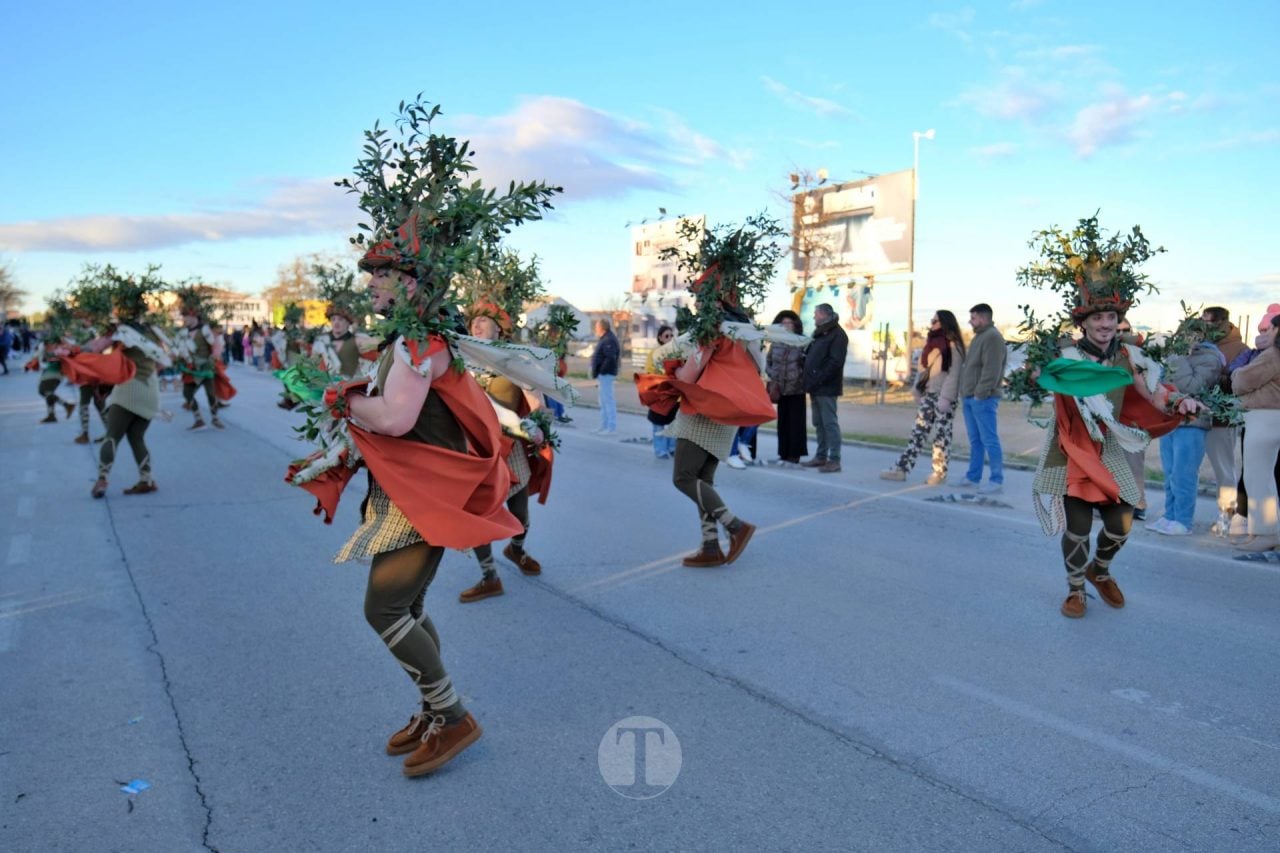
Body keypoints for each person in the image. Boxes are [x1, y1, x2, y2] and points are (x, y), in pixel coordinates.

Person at [1032, 304, 1199, 618]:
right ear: (1083, 323)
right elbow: (1036, 379)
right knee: (1078, 528)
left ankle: (1101, 570)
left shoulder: (1128, 356)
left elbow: (1155, 392)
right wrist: (1034, 373)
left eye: (1111, 317)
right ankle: (1076, 590)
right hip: (1074, 445)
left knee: (1121, 525)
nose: (1106, 324)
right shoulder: (1065, 355)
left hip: (1111, 446)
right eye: (1097, 318)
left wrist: (1180, 401)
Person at [458, 305, 552, 603]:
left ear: (500, 328)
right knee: (478, 513)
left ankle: (517, 549)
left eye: (485, 320)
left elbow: (534, 402)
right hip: (475, 449)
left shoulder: (513, 360)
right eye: (474, 320)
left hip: (511, 446)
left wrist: (540, 421)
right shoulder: (461, 360)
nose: (477, 325)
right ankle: (489, 576)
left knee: (520, 513)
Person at [92, 289, 172, 499]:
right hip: (150, 390)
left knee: (112, 436)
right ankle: (146, 479)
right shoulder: (154, 331)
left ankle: (102, 479)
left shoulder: (124, 331)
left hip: (128, 389)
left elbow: (95, 349)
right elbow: (163, 362)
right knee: (137, 437)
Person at [1147, 323, 1223, 535]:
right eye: (1181, 334)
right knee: (1170, 473)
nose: (1183, 338)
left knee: (1184, 474)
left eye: (1189, 334)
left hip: (1193, 422)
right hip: (1170, 420)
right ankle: (1169, 516)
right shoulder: (1176, 357)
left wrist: (1176, 358)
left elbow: (1192, 387)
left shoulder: (1210, 358)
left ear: (1200, 336)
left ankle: (1183, 521)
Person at [881, 309, 965, 484]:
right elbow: (923, 371)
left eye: (935, 321)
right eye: (931, 321)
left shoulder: (953, 345)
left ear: (945, 323)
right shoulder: (931, 344)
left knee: (942, 435)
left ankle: (939, 473)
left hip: (943, 396)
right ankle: (901, 469)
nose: (931, 324)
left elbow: (954, 374)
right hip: (929, 393)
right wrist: (917, 390)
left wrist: (946, 398)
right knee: (918, 432)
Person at [1229, 314, 1280, 552]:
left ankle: (1266, 533)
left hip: (1264, 417)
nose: (1265, 333)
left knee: (1258, 478)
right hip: (1272, 419)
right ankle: (1264, 531)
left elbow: (1242, 381)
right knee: (1265, 477)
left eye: (1269, 329)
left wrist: (1236, 373)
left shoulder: (1273, 355)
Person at [1201, 307, 1248, 529]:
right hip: (1195, 417)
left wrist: (1214, 376)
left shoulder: (1240, 349)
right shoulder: (1199, 343)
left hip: (1222, 419)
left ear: (1222, 323)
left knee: (1224, 470)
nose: (1205, 326)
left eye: (1208, 323)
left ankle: (1227, 516)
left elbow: (1238, 384)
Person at [957, 303, 1008, 493]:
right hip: (970, 397)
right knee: (976, 440)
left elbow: (991, 369)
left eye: (973, 318)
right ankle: (973, 477)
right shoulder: (980, 336)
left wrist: (980, 394)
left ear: (984, 318)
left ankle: (996, 480)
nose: (970, 321)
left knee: (989, 440)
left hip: (983, 399)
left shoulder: (993, 337)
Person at [801, 303, 848, 473]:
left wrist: (818, 378)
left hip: (827, 387)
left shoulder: (837, 334)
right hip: (815, 386)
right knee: (818, 423)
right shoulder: (820, 333)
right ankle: (821, 456)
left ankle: (834, 459)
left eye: (816, 313)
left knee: (829, 423)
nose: (814, 317)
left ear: (824, 315)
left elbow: (835, 362)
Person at [765, 310, 807, 465]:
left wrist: (799, 376)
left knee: (796, 422)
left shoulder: (802, 342)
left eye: (789, 323)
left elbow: (806, 364)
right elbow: (768, 362)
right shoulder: (776, 343)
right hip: (779, 388)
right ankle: (783, 453)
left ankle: (794, 455)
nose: (786, 326)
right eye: (783, 323)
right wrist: (772, 374)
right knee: (782, 422)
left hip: (796, 388)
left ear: (795, 324)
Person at [645, 325, 677, 459]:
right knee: (659, 423)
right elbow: (650, 371)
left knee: (673, 423)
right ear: (660, 338)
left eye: (671, 336)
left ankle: (671, 448)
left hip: (674, 394)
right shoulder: (654, 353)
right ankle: (660, 450)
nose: (669, 338)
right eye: (666, 336)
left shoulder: (677, 353)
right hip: (660, 393)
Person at [591, 318, 619, 434]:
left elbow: (610, 358)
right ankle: (604, 425)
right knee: (602, 401)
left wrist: (601, 370)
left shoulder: (609, 340)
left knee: (607, 400)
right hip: (603, 374)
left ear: (602, 327)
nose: (595, 328)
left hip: (606, 374)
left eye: (597, 326)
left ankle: (611, 427)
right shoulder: (605, 338)